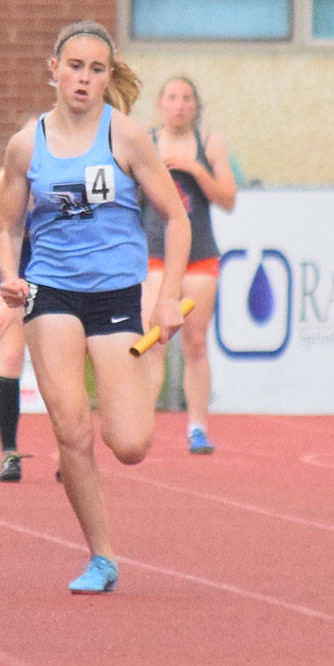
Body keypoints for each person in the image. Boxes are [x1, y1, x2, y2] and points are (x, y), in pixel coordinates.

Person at [0, 20, 189, 594]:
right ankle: (101, 557)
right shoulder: (26, 144)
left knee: (128, 445)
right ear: (53, 69)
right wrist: (9, 275)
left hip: (116, 297)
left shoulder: (126, 137)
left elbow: (176, 218)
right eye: (74, 66)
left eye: (96, 69)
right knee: (71, 429)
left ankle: (138, 367)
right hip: (49, 291)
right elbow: (6, 228)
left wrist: (170, 299)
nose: (84, 78)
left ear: (108, 77)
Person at [139, 77, 236, 454]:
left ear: (196, 105)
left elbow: (227, 198)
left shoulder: (209, 144)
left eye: (186, 98)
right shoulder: (145, 142)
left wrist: (193, 170)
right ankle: (142, 424)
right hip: (155, 251)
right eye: (172, 97)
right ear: (160, 104)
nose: (179, 105)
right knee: (154, 339)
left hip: (200, 255)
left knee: (196, 343)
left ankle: (197, 427)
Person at [0, 167, 30, 481]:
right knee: (11, 356)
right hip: (14, 271)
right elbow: (4, 240)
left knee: (62, 365)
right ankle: (9, 452)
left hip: (59, 273)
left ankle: (69, 451)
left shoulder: (68, 181)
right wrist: (10, 287)